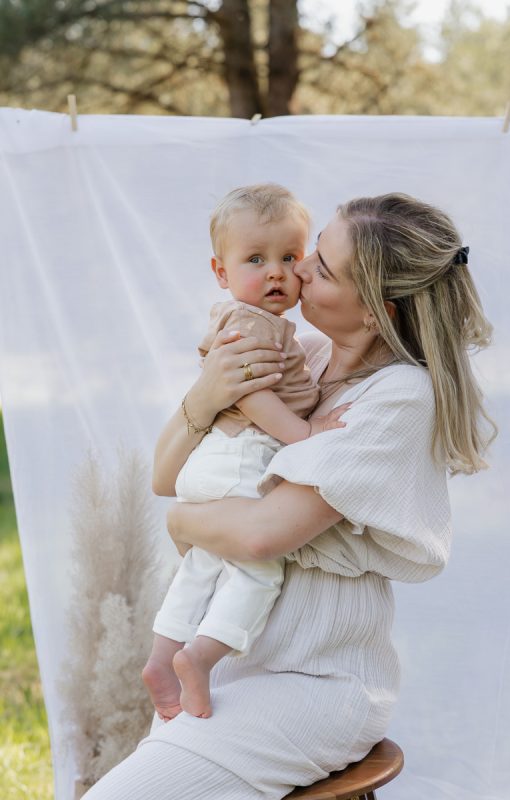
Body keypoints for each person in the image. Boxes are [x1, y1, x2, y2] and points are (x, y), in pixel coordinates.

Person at [84, 191, 496, 800]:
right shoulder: (304, 356)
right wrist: (204, 398)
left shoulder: (399, 396)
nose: (295, 270)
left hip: (313, 680)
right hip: (223, 660)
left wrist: (185, 525)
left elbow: (260, 533)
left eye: (320, 267)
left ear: (377, 310)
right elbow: (166, 479)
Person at [142, 184, 350, 721]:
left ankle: (162, 660)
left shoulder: (271, 327)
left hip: (214, 460)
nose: (276, 272)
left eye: (289, 256)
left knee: (202, 570)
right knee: (258, 572)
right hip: (241, 456)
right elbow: (251, 392)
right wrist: (302, 435)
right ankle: (201, 659)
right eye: (255, 259)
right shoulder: (249, 323)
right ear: (221, 272)